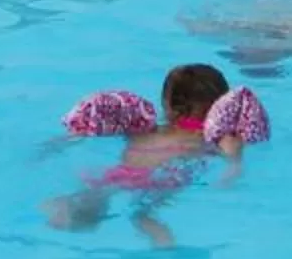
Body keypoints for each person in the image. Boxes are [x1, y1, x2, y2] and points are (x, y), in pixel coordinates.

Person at [43, 63, 268, 247]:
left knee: (98, 192)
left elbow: (99, 130)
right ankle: (154, 231)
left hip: (122, 170)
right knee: (144, 210)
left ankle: (67, 214)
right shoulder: (213, 138)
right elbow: (232, 163)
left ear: (167, 106)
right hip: (164, 177)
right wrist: (234, 163)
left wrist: (62, 142)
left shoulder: (148, 129)